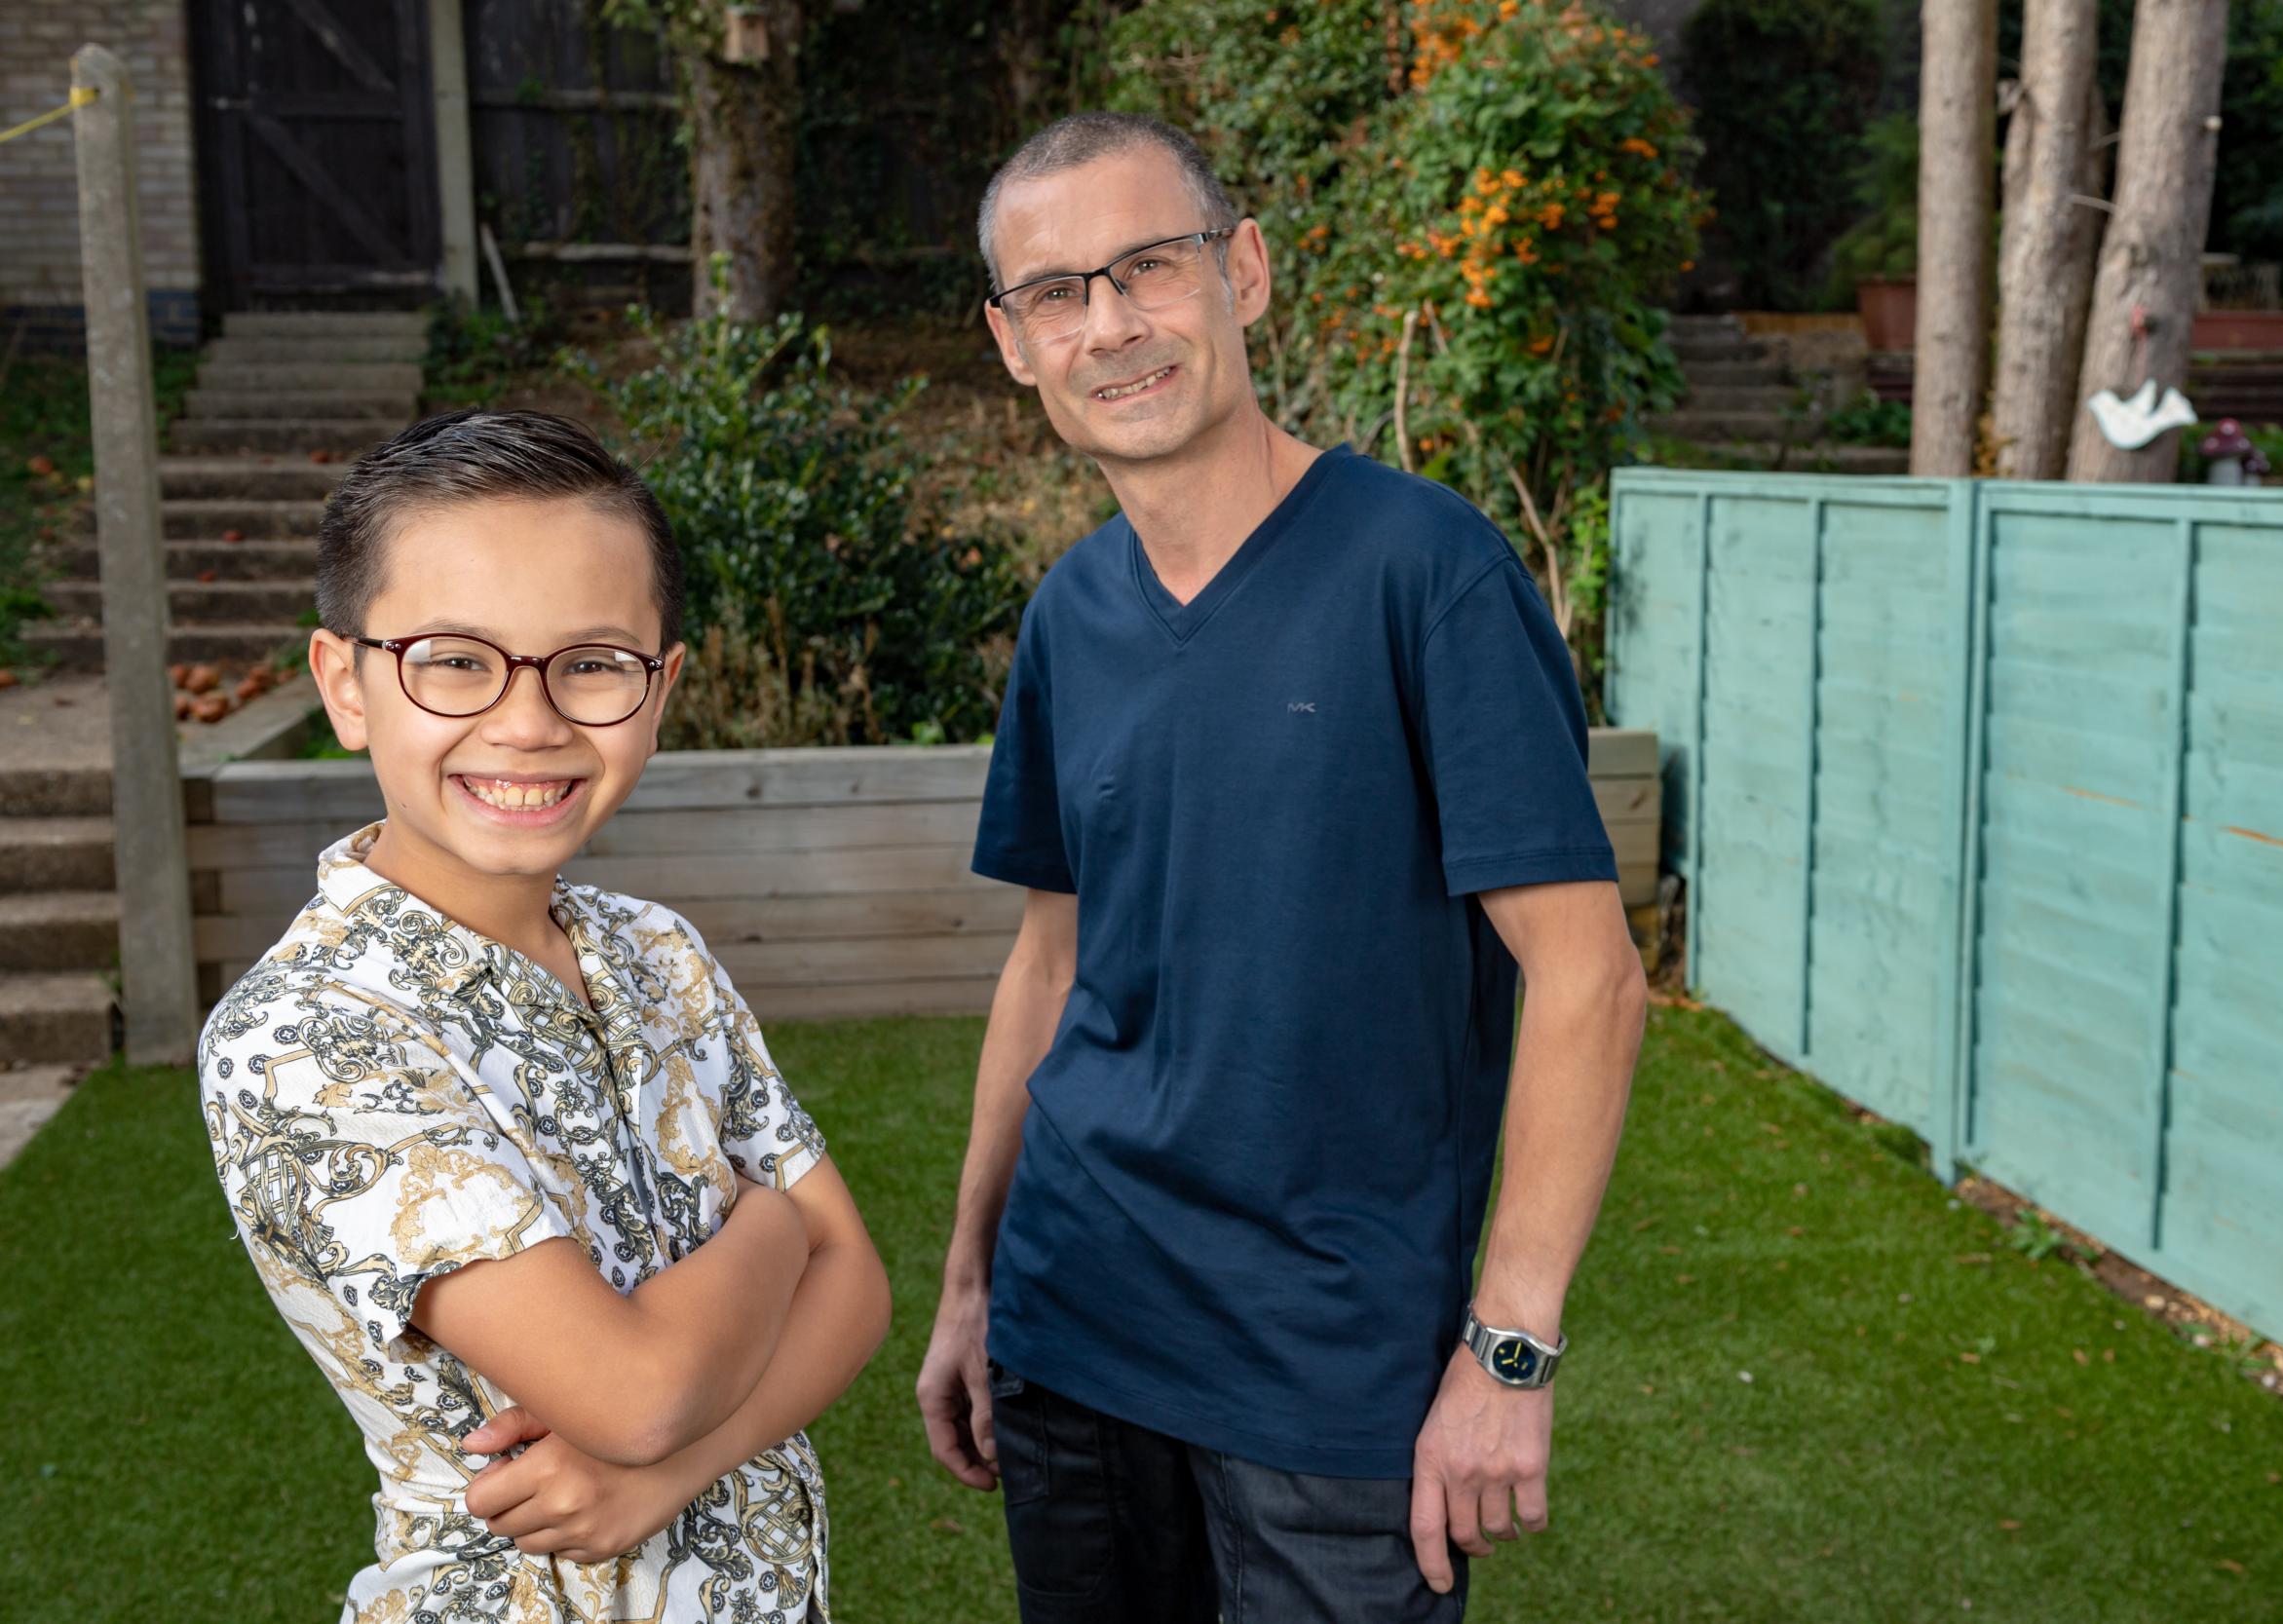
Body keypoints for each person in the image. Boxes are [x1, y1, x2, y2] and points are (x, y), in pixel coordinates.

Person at [914, 112, 1649, 1621]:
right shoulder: (1070, 614)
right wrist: (973, 1279)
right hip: (1070, 1329)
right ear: (1011, 340)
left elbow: (1589, 973)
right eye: (1056, 292)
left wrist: (1509, 1348)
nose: (1110, 324)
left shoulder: (1426, 572)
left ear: (1242, 271)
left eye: (1148, 267)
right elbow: (1051, 964)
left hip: (1330, 1374)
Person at [197, 409, 891, 1623]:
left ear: (660, 686)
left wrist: (671, 1471)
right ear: (345, 683)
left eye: (592, 662)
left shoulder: (655, 949)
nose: (529, 719)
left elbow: (862, 1289)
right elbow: (633, 1389)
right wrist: (778, 1229)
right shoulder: (305, 1032)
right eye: (455, 658)